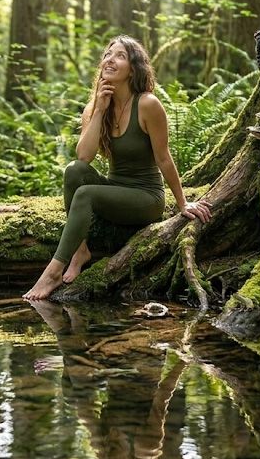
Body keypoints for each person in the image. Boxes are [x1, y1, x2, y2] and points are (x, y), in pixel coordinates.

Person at [23, 35, 212, 301]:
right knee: (73, 171)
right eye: (107, 55)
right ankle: (80, 250)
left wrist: (182, 204)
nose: (110, 59)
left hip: (145, 197)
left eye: (120, 56)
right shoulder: (97, 105)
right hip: (116, 189)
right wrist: (99, 110)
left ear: (133, 68)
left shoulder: (147, 104)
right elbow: (83, 157)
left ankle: (53, 272)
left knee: (86, 194)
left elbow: (164, 158)